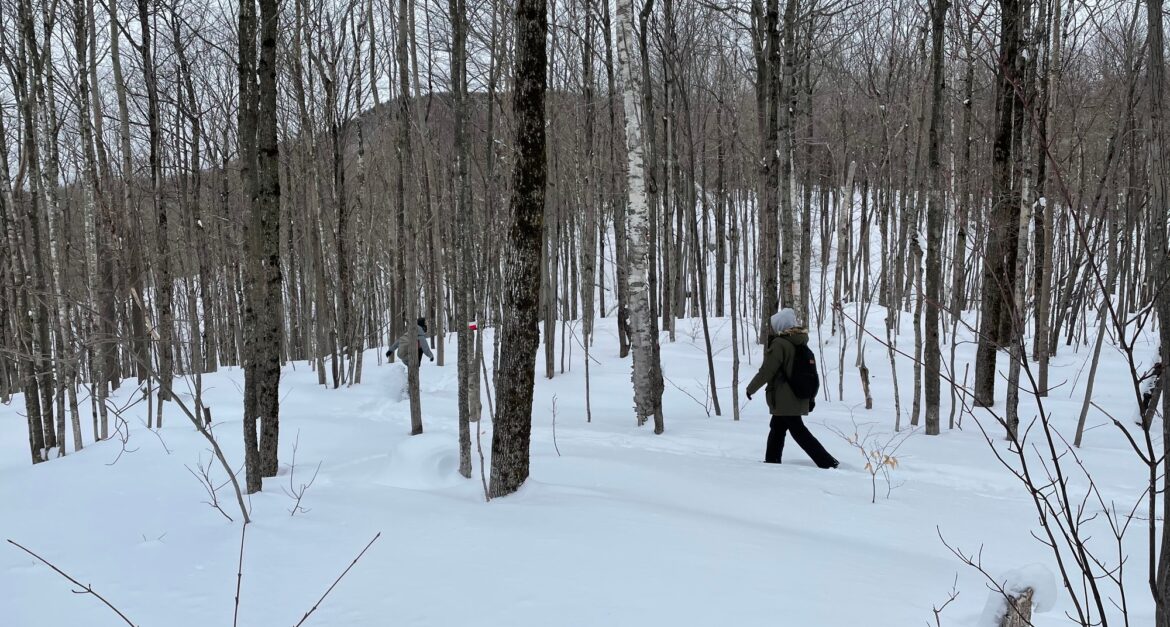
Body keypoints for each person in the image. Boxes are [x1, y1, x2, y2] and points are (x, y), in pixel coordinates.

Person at [745, 308, 838, 468]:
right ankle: (771, 462)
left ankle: (827, 462)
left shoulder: (780, 344)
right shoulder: (801, 343)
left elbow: (767, 370)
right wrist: (811, 397)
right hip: (797, 395)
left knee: (798, 431)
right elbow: (811, 375)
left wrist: (751, 388)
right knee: (777, 428)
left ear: (781, 326)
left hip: (785, 397)